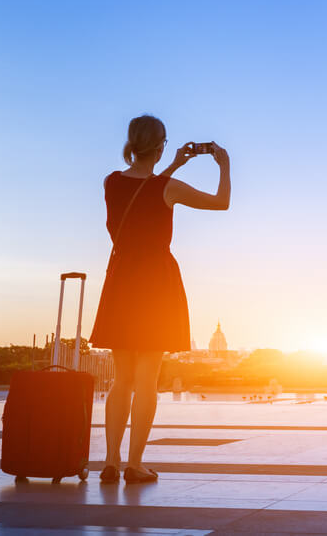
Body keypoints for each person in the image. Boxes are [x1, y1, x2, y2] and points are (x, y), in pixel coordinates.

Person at [90, 114, 230, 484]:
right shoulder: (171, 188)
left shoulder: (111, 183)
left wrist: (172, 164)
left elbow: (142, 191)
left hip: (122, 282)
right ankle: (135, 464)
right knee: (147, 379)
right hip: (156, 285)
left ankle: (110, 461)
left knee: (122, 380)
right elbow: (221, 202)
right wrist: (224, 164)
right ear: (161, 145)